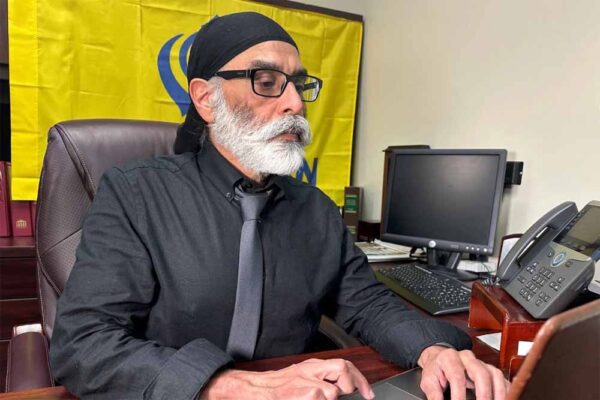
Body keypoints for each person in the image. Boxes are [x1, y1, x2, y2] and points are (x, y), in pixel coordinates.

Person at [50, 12, 509, 400]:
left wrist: (434, 351)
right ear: (206, 99)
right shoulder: (136, 194)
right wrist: (225, 385)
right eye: (266, 81)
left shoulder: (315, 210)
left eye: (299, 84)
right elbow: (82, 345)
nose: (295, 103)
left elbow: (367, 304)